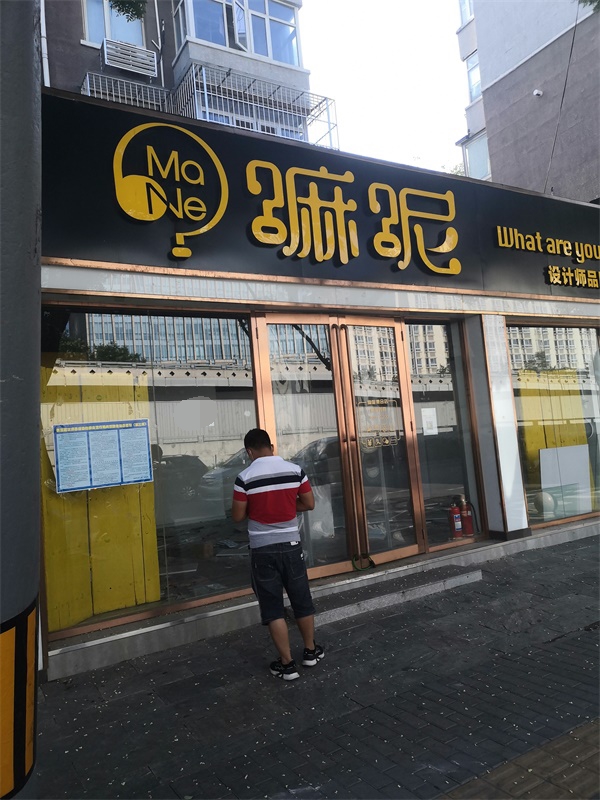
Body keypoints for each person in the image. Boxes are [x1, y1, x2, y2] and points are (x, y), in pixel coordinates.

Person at [231, 428, 324, 681]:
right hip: (291, 545)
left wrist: (257, 508)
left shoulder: (244, 477)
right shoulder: (295, 471)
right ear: (271, 447)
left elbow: (238, 515)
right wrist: (286, 507)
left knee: (273, 607)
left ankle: (287, 664)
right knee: (301, 599)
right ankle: (310, 651)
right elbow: (309, 503)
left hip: (262, 549)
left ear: (249, 451)